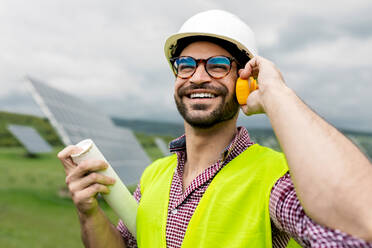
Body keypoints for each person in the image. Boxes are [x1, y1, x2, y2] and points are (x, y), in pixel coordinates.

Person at [57, 10, 372, 248]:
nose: (197, 77)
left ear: (245, 80)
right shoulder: (154, 175)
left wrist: (276, 93)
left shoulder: (275, 180)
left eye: (218, 65)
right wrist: (89, 214)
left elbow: (360, 224)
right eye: (186, 65)